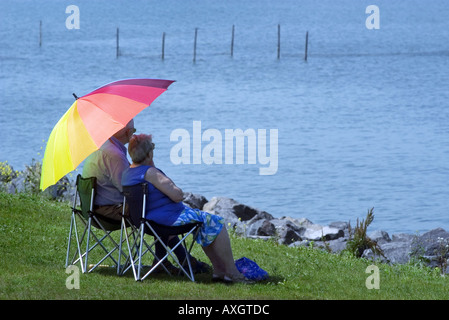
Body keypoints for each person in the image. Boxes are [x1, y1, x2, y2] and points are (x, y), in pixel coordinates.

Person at [82, 120, 208, 274]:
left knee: (156, 205)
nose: (133, 133)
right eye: (133, 130)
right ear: (127, 132)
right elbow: (127, 187)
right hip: (108, 210)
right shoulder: (113, 155)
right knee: (156, 208)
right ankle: (182, 259)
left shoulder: (104, 146)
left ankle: (169, 260)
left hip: (93, 208)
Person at [121, 133, 250, 283]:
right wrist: (154, 168)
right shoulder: (150, 173)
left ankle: (220, 271)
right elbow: (177, 195)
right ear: (150, 153)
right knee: (217, 222)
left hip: (145, 220)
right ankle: (232, 272)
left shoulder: (127, 174)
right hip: (166, 220)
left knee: (205, 223)